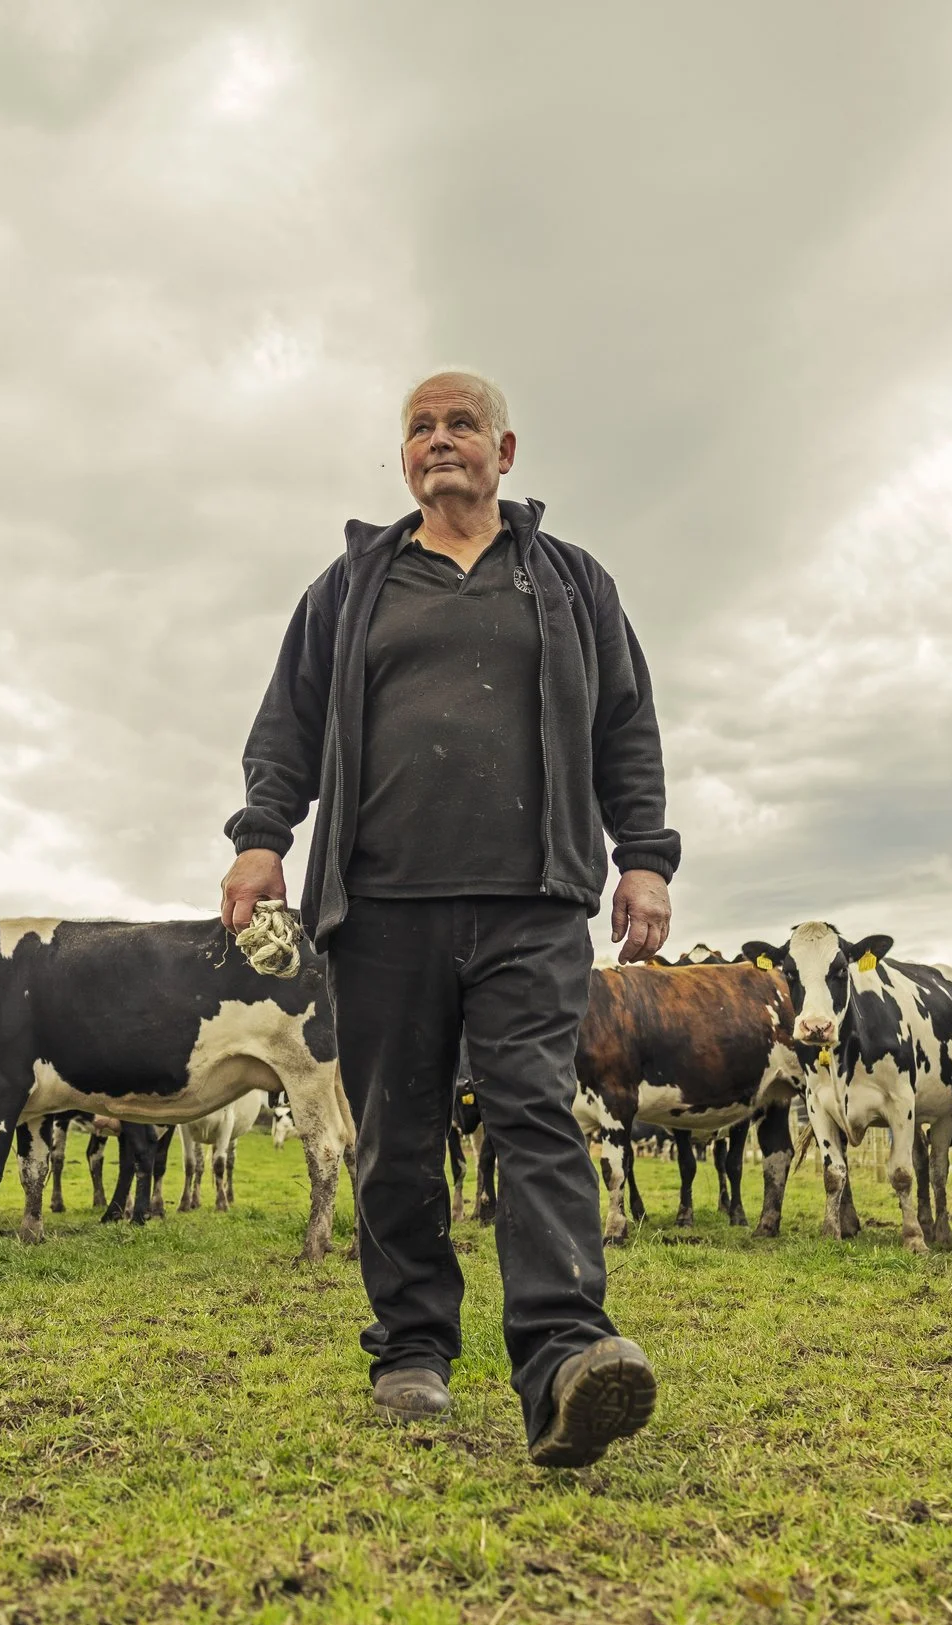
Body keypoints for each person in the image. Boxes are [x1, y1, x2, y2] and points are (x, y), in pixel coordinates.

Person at [219, 370, 680, 1467]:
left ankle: (568, 1356)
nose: (439, 440)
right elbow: (287, 719)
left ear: (505, 451)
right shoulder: (353, 585)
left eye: (459, 423)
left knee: (533, 1115)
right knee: (400, 1134)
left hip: (533, 899)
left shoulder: (569, 582)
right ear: (402, 457)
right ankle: (412, 1346)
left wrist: (646, 857)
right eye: (420, 427)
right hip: (379, 903)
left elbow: (626, 726)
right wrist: (260, 833)